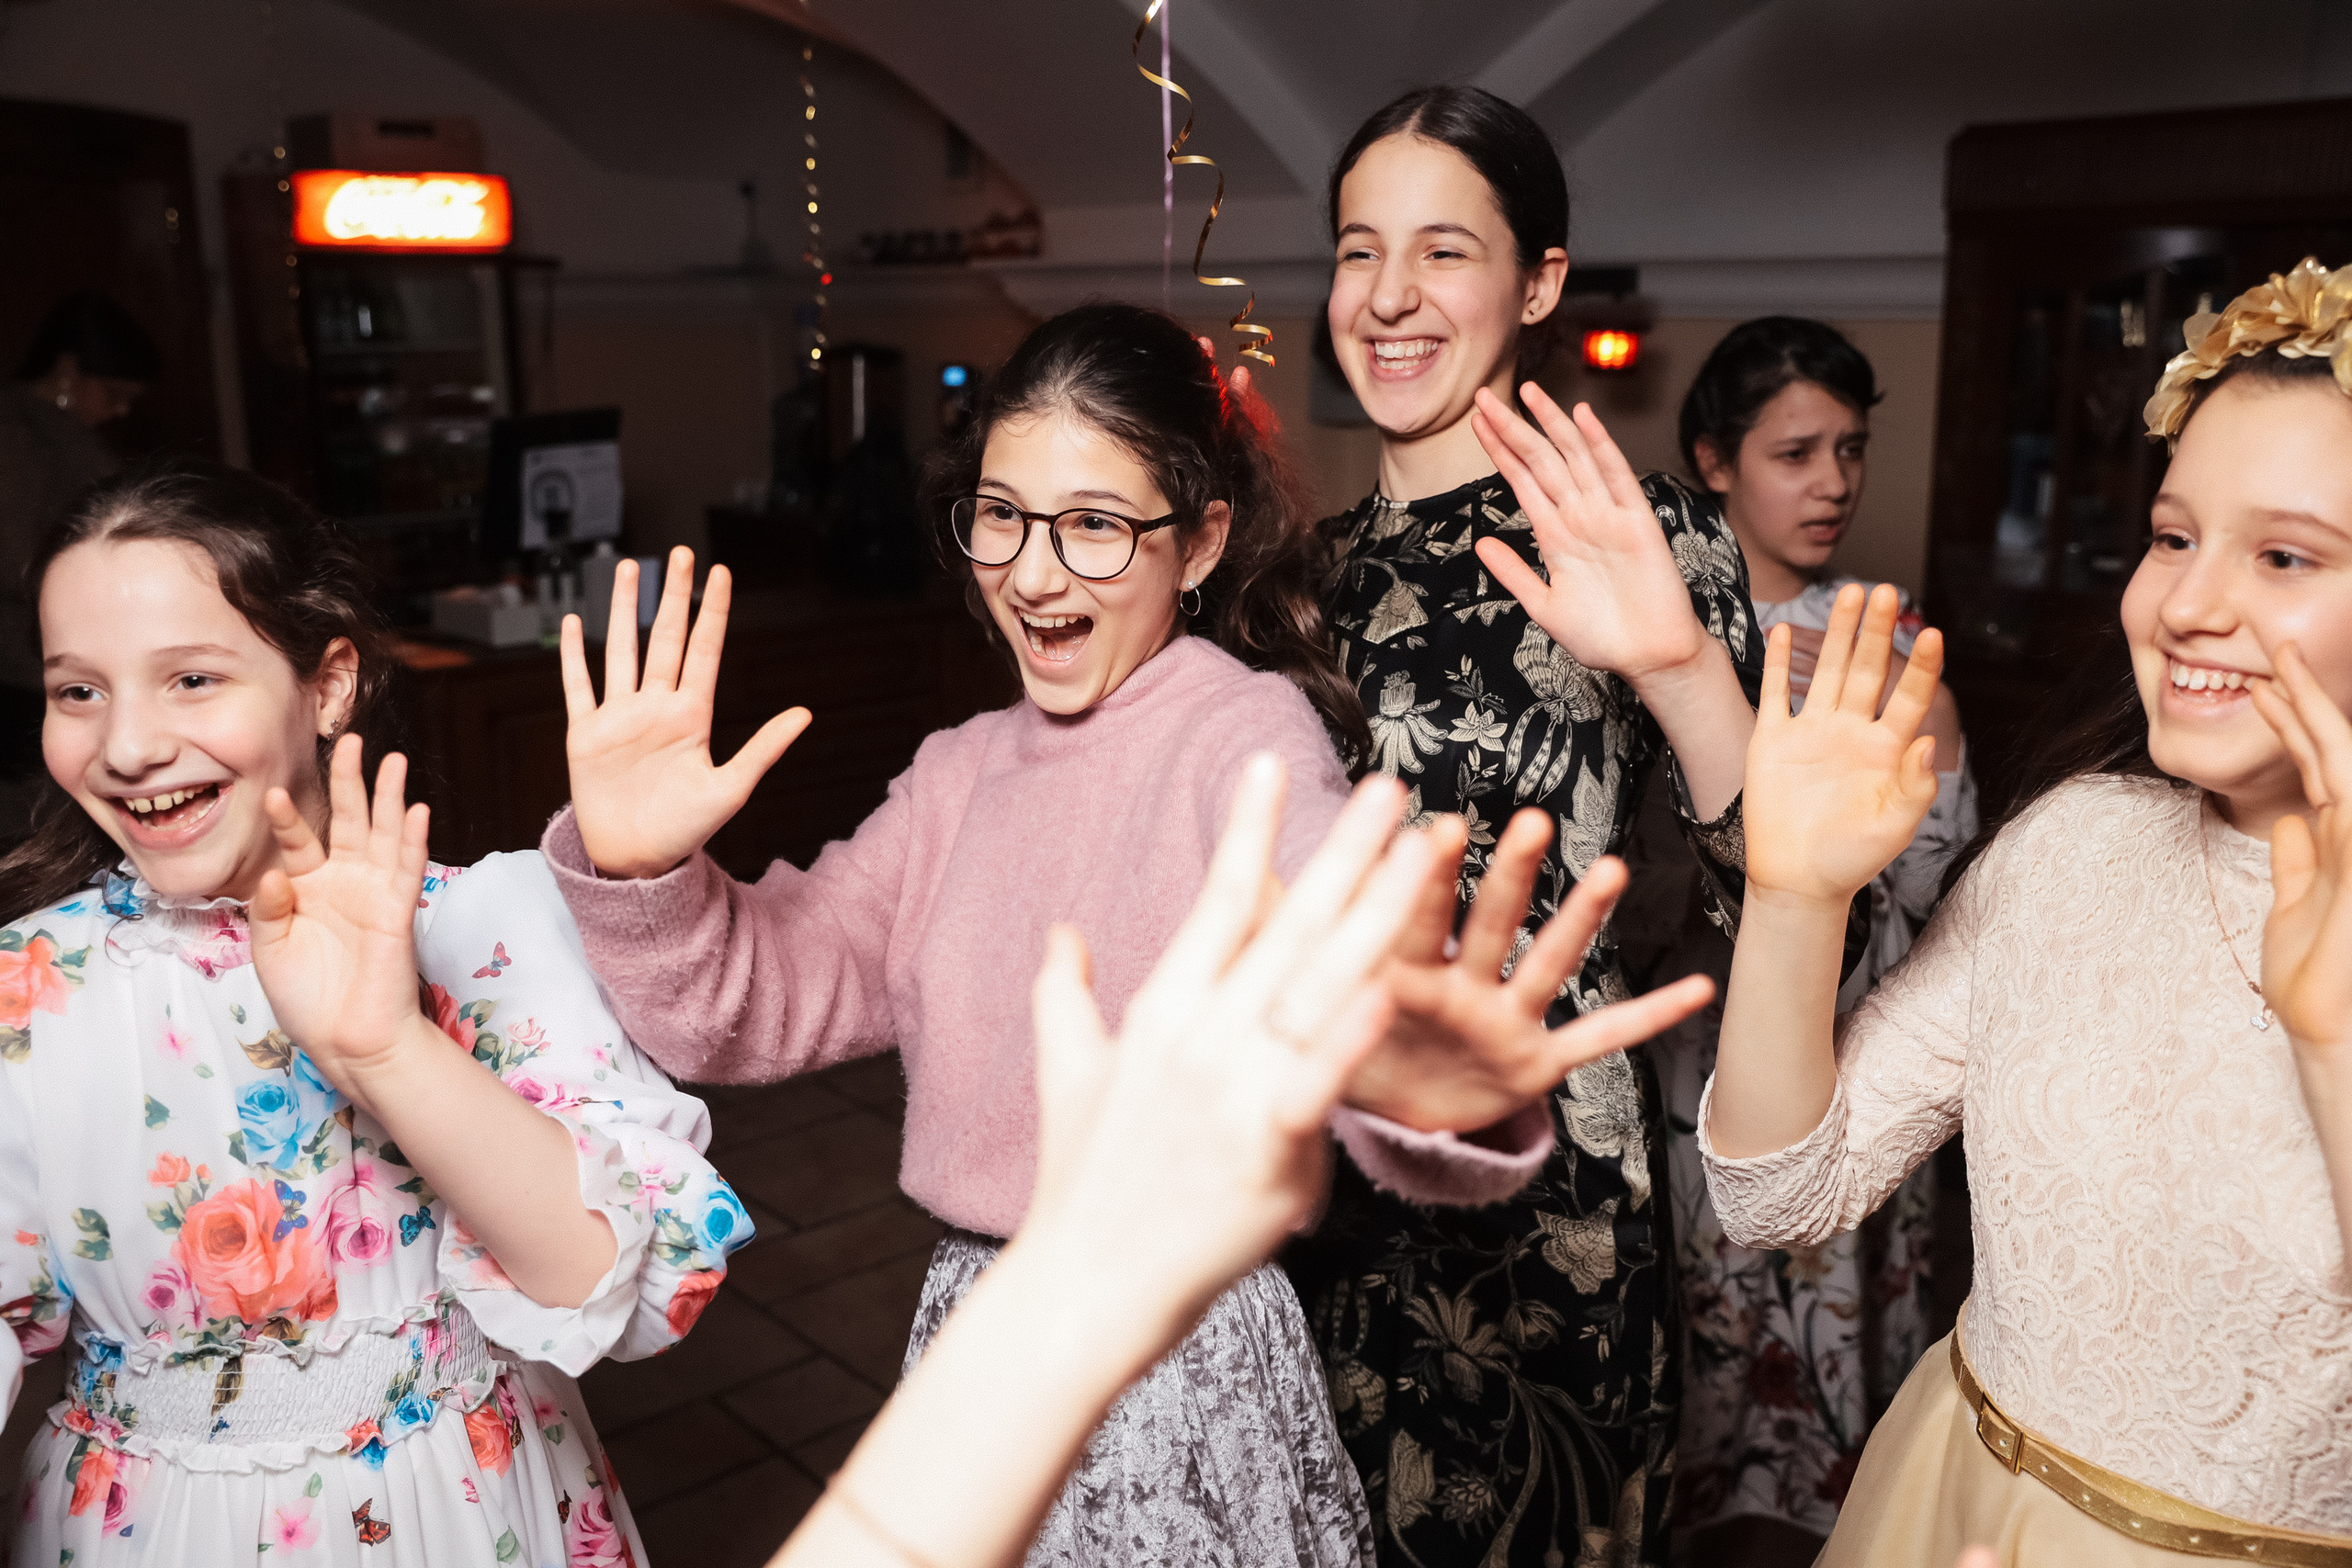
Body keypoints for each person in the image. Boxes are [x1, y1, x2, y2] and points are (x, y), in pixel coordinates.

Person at [542, 303, 1718, 1568]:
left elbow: (1318, 891)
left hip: (1178, 1356)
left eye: (1096, 525)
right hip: (982, 1339)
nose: (1034, 572)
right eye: (1002, 512)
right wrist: (643, 859)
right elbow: (749, 997)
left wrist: (1397, 1043)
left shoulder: (1240, 732)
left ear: (1202, 538)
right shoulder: (960, 771)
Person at [1702, 260, 2352, 1565]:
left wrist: (2332, 1043)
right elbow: (1779, 1193)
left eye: (2283, 554)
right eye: (2174, 536)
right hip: (1946, 1499)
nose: (2184, 605)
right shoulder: (2072, 841)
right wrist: (1795, 894)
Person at [0, 462, 745, 1564]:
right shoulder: (27, 987)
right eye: (80, 690)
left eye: (192, 679)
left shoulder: (488, 923)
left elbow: (613, 1284)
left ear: (328, 683)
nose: (127, 746)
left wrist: (389, 1048)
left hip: (468, 1505)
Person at [1268, 85, 1784, 1567]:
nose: (1388, 296)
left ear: (1540, 282)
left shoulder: (1652, 536)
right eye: (1360, 250)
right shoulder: (1290, 582)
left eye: (1444, 251)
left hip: (1553, 1180)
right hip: (1330, 1169)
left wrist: (1680, 667)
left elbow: (1800, 902)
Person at [1614, 317, 1980, 1556]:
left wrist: (1932, 740)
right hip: (1696, 1035)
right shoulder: (1653, 641)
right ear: (1714, 462)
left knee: (1823, 1325)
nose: (1832, 481)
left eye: (1853, 450)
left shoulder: (1884, 637)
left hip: (1859, 1034)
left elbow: (1946, 886)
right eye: (1796, 452)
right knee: (1699, 1321)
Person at [0, 296, 161, 796]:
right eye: (113, 392)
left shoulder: (49, 431)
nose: (121, 410)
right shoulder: (21, 433)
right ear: (68, 369)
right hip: (28, 661)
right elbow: (16, 555)